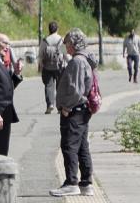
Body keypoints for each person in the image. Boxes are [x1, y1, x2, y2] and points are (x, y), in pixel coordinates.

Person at [50, 28, 96, 197]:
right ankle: (86, 183)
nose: (65, 46)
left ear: (74, 44)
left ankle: (71, 182)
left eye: (67, 43)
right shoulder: (85, 59)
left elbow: (76, 89)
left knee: (69, 146)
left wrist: (66, 107)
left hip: (74, 110)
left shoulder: (77, 61)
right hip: (82, 110)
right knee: (82, 146)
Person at [38, 21, 65, 114]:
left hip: (47, 66)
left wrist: (41, 66)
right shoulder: (60, 40)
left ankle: (50, 105)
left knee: (48, 86)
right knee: (60, 87)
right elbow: (65, 53)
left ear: (49, 29)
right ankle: (60, 107)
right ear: (57, 29)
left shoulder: (45, 40)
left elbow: (40, 54)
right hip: (59, 66)